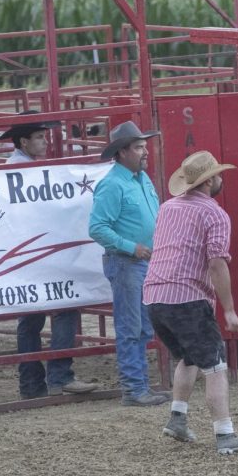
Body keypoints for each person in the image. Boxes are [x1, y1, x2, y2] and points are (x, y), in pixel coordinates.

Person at [144, 151, 238, 455]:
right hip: (187, 297)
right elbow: (217, 263)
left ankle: (178, 418)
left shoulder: (167, 208)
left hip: (155, 295)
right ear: (209, 180)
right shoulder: (214, 214)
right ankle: (225, 434)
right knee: (215, 366)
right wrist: (230, 308)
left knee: (189, 357)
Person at [1, 110, 98, 399]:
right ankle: (59, 375)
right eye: (40, 138)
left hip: (24, 252)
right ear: (23, 141)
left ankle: (31, 385)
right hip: (37, 251)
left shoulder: (14, 169)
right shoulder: (24, 171)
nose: (45, 142)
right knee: (65, 307)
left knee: (30, 318)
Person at [89, 121, 168, 407]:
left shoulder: (138, 178)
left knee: (141, 325)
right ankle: (134, 388)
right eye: (139, 147)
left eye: (145, 146)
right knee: (132, 326)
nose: (145, 152)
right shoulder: (112, 184)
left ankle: (138, 386)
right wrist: (130, 246)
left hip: (140, 262)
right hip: (127, 262)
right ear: (122, 152)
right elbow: (97, 227)